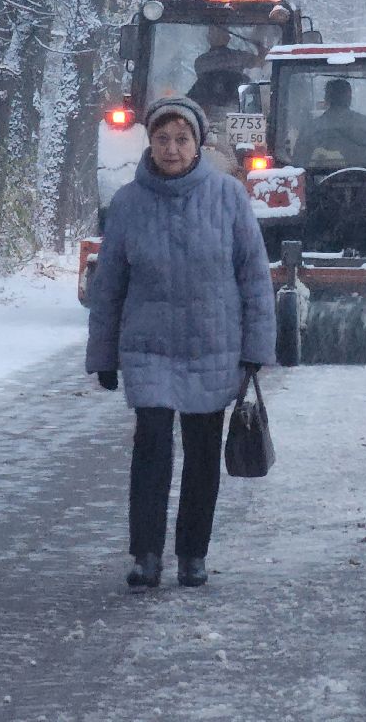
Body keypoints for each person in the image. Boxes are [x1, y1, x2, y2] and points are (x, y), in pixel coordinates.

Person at [85, 95, 277, 590]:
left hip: (212, 346)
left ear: (198, 144)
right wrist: (103, 354)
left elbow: (254, 277)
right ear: (150, 142)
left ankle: (193, 553)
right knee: (150, 446)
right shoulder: (128, 203)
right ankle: (146, 555)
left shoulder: (229, 198)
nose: (171, 148)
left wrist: (256, 349)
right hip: (148, 348)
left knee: (202, 452)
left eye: (182, 139)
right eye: (162, 139)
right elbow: (109, 286)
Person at [293, 78, 366, 167]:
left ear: (327, 98)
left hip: (318, 178)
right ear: (349, 98)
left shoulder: (311, 129)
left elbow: (298, 163)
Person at [186, 26, 263, 111]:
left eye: (220, 32)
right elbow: (261, 61)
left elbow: (261, 62)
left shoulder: (200, 61)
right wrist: (260, 48)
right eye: (213, 32)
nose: (216, 36)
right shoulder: (237, 57)